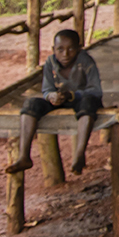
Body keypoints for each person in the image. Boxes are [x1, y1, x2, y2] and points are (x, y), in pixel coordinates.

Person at [8, 29, 101, 176]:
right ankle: (24, 156)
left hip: (81, 100)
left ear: (79, 48)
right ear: (53, 50)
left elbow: (95, 90)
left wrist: (71, 95)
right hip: (59, 100)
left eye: (71, 49)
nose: (65, 54)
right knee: (31, 104)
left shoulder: (86, 62)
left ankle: (79, 154)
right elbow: (46, 89)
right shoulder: (50, 62)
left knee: (89, 102)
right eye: (60, 49)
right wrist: (52, 96)